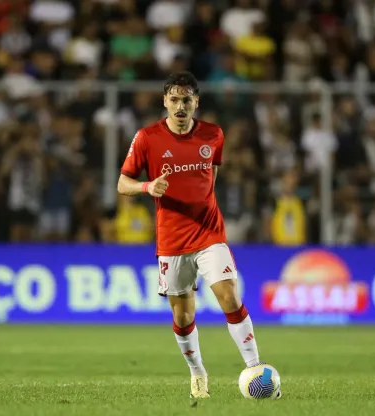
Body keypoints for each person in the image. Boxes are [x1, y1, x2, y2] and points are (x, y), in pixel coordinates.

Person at [117, 71, 273, 400]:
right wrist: (148, 186)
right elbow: (122, 183)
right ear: (165, 102)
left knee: (228, 295)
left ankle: (255, 367)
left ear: (196, 102)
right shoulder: (147, 138)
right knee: (183, 315)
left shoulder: (213, 135)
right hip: (172, 240)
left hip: (209, 233)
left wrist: (203, 208)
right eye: (174, 99)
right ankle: (197, 372)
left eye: (186, 100)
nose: (180, 106)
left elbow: (210, 177)